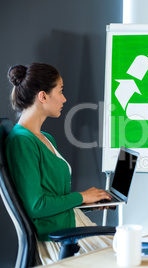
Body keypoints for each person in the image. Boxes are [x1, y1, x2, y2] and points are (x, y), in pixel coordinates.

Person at [6, 62, 114, 264]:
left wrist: (86, 202)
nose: (64, 98)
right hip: (60, 240)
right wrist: (81, 197)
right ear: (43, 96)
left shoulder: (44, 137)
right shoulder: (21, 141)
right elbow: (37, 206)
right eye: (60, 91)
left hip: (71, 225)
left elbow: (54, 197)